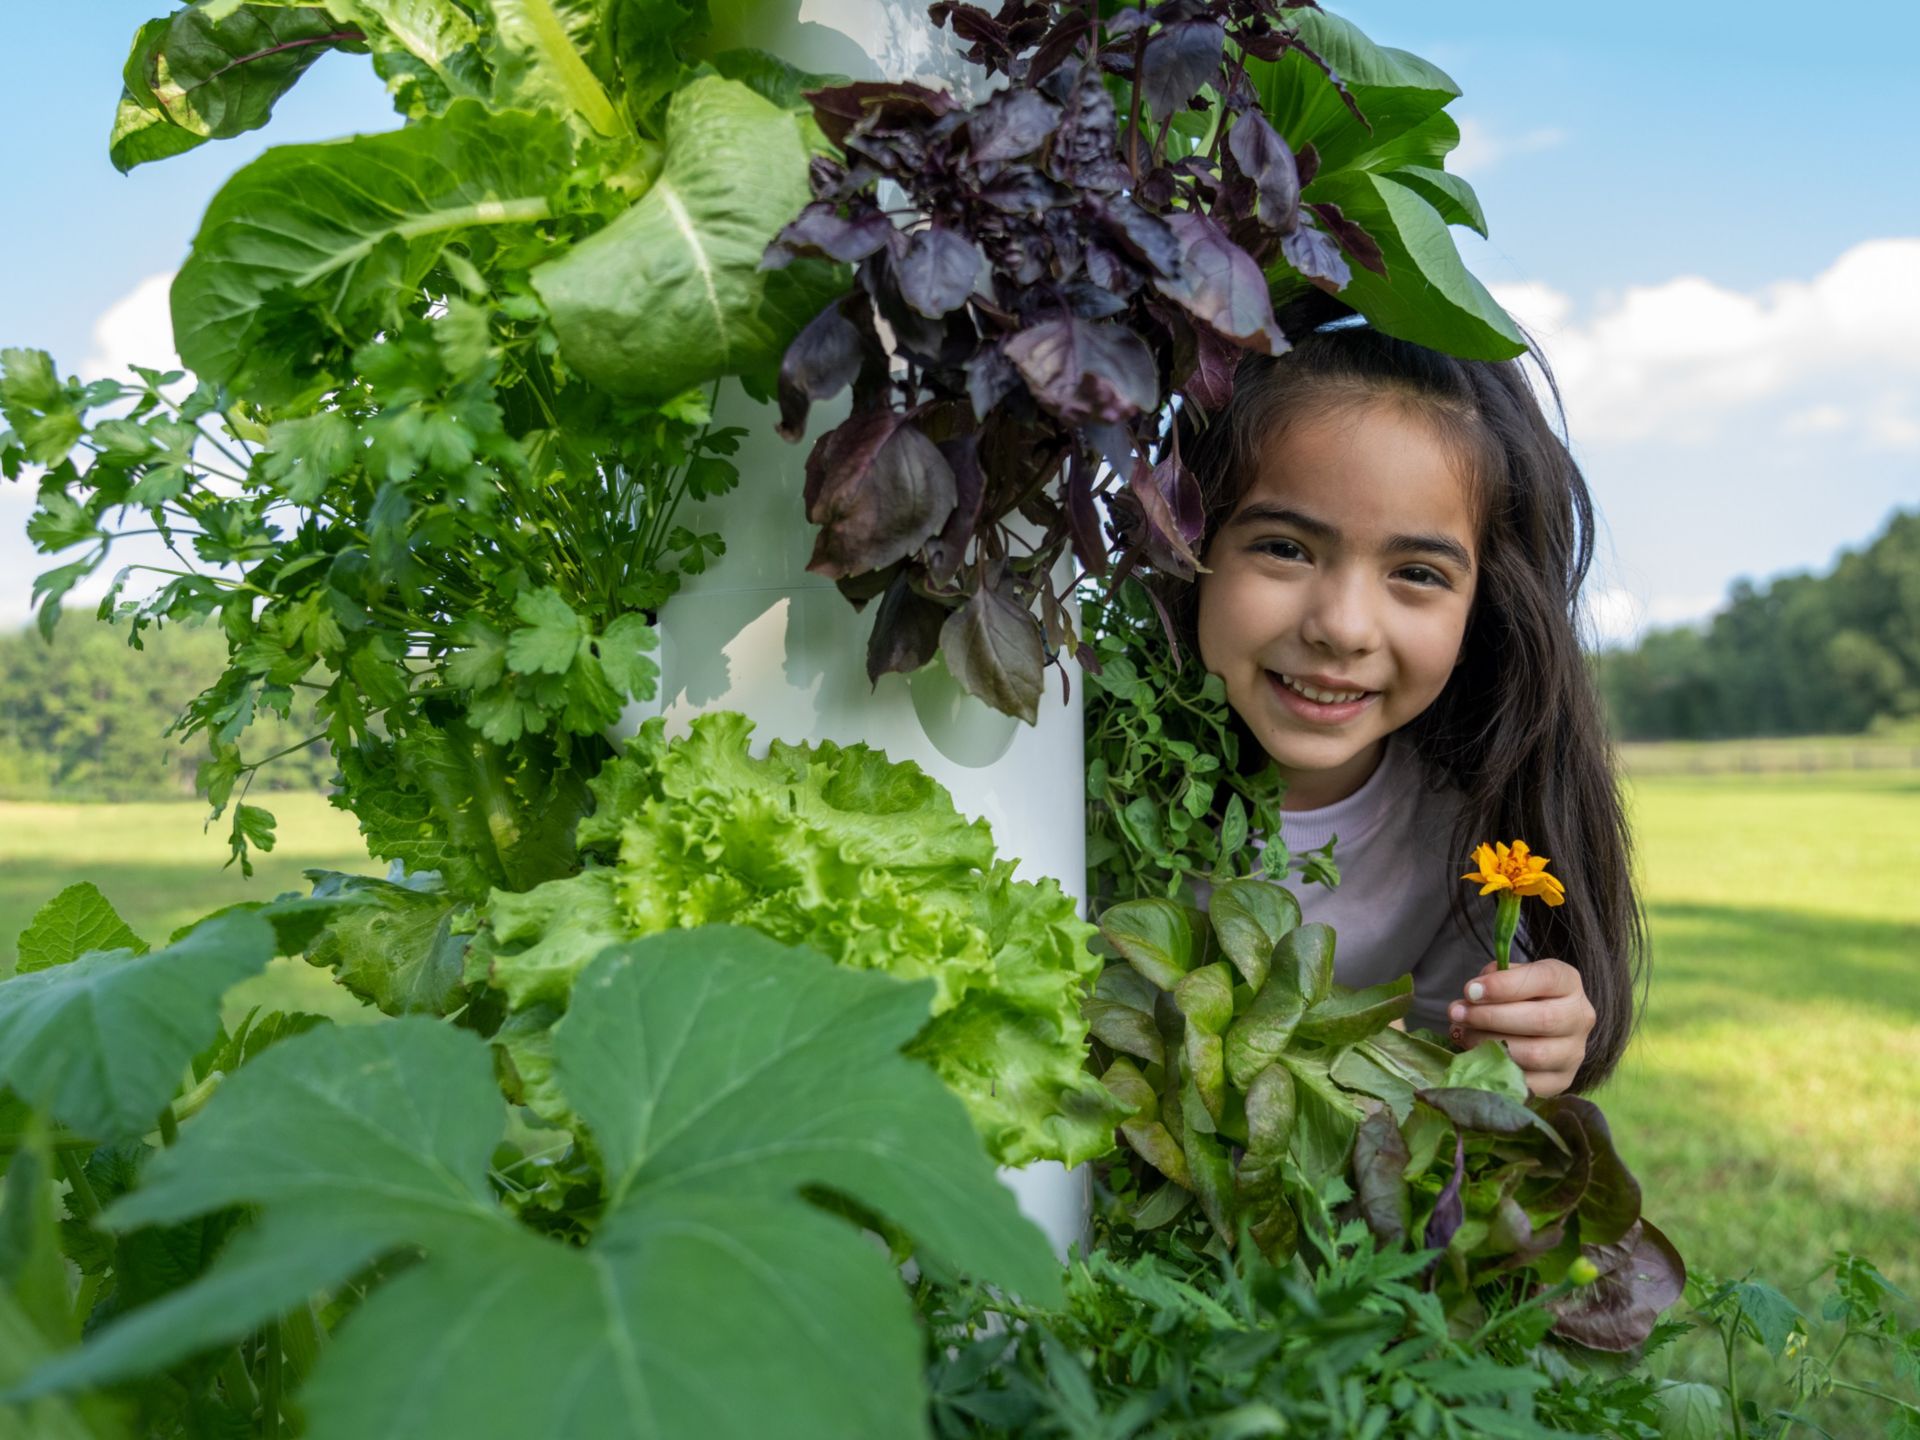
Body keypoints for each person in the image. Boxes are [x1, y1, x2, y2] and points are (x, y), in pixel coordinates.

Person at [1157, 302, 1645, 1097]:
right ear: (1189, 537)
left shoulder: (1467, 840)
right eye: (1285, 549)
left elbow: (1454, 1081)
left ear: (1484, 607)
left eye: (1416, 573)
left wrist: (1535, 1037)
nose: (1344, 628)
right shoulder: (1079, 772)